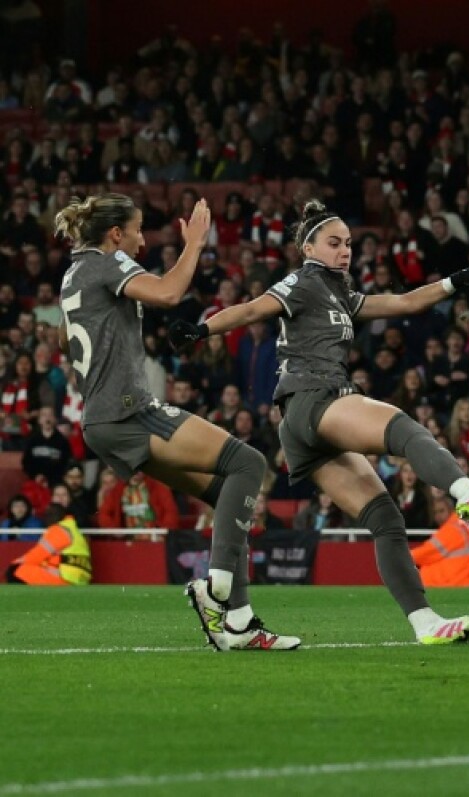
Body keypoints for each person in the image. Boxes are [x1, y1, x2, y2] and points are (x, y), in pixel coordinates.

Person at [169, 200, 469, 645]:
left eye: (349, 244)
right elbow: (250, 310)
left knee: (385, 519)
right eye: (334, 243)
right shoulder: (301, 281)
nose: (345, 251)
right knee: (402, 426)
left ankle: (426, 623)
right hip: (316, 399)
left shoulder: (342, 293)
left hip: (304, 426)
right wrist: (203, 330)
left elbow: (404, 302)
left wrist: (456, 282)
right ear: (308, 247)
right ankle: (467, 492)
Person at [53, 192, 300, 652]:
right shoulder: (107, 263)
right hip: (128, 410)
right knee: (247, 464)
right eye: (138, 229)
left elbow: (73, 337)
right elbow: (169, 292)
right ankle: (216, 587)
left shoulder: (75, 272)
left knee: (231, 497)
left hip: (103, 417)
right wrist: (196, 244)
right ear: (114, 235)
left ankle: (241, 624)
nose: (143, 239)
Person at [5, 504, 90, 586]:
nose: (47, 518)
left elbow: (37, 555)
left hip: (64, 578)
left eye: (49, 514)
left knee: (17, 570)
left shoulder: (58, 530)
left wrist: (15, 563)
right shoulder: (74, 530)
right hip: (80, 579)